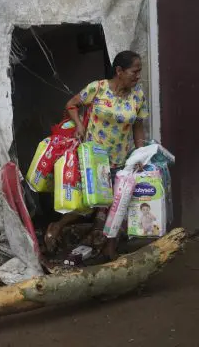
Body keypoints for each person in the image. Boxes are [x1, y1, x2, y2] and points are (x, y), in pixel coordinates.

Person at [44, 50, 149, 260]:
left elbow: (138, 125)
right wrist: (80, 125)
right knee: (87, 204)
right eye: (134, 72)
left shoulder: (138, 95)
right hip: (94, 159)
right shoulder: (98, 88)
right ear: (119, 71)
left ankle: (109, 247)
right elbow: (71, 104)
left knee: (114, 205)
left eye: (139, 72)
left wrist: (139, 153)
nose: (138, 76)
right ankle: (57, 225)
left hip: (120, 160)